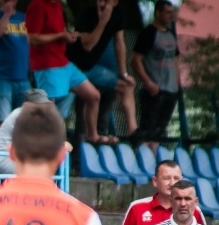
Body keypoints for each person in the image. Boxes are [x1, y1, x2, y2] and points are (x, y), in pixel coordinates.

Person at [25, 0, 103, 143]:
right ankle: (46, 147)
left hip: (64, 63)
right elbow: (32, 38)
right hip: (47, 65)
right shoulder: (37, 5)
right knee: (49, 109)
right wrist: (61, 36)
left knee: (93, 96)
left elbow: (57, 31)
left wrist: (68, 34)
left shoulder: (58, 5)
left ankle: (92, 135)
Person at [67, 0, 137, 143]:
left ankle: (134, 133)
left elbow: (119, 43)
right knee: (90, 98)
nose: (102, 3)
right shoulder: (88, 14)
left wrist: (123, 74)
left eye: (106, 0)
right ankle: (88, 137)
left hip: (92, 68)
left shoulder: (117, 15)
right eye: (100, 0)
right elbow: (88, 45)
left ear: (115, 2)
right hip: (74, 67)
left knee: (126, 86)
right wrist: (103, 22)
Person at [131, 0, 180, 151]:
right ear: (158, 13)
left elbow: (176, 58)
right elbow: (136, 60)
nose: (171, 16)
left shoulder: (171, 33)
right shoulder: (149, 33)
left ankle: (153, 161)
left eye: (172, 12)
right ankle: (141, 157)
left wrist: (177, 83)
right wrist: (148, 82)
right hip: (154, 88)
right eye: (167, 12)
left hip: (171, 88)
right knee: (147, 128)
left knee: (159, 130)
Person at [0, 88, 72, 175]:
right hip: (1, 158)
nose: (42, 107)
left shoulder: (38, 116)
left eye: (44, 104)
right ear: (26, 105)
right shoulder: (20, 115)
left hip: (14, 158)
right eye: (38, 104)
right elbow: (37, 144)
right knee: (37, 170)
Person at [0, 0, 30, 135]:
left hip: (23, 78)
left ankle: (18, 155)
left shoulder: (25, 18)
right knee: (2, 121)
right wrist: (6, 15)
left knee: (23, 122)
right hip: (1, 77)